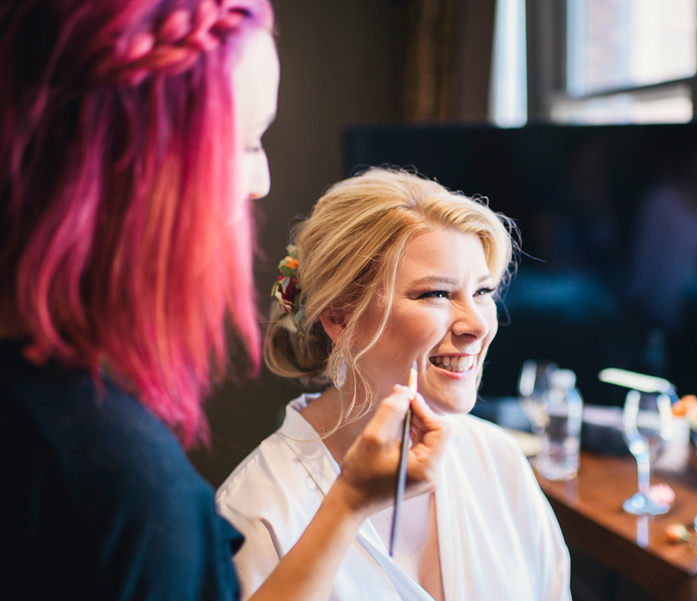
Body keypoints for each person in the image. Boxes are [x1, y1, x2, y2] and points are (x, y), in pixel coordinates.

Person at [1, 2, 445, 600]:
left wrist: (346, 504)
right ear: (129, 161)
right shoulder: (112, 483)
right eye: (244, 143)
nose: (260, 180)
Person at [216, 167, 573, 601]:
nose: (478, 325)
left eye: (483, 291)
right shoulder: (256, 512)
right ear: (340, 317)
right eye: (436, 294)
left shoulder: (498, 460)